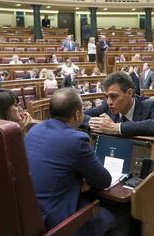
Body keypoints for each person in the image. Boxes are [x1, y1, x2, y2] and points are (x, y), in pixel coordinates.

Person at [25, 88, 129, 234]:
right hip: (57, 224)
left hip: (31, 216)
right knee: (123, 213)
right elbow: (104, 181)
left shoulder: (33, 130)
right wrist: (83, 181)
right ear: (78, 114)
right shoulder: (76, 139)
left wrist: (79, 182)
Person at [84, 71, 154, 136]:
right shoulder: (106, 107)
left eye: (114, 96)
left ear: (129, 93)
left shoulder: (151, 106)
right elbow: (80, 116)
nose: (109, 102)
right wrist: (99, 123)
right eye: (106, 96)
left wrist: (116, 128)